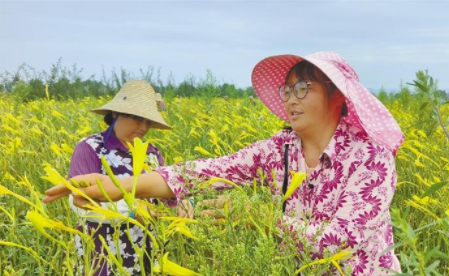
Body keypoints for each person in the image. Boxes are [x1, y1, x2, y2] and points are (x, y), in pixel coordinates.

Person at [45, 52, 405, 275]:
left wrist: (254, 217)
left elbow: (340, 242)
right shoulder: (279, 149)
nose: (291, 100)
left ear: (337, 94)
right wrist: (116, 185)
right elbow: (206, 171)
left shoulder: (370, 158)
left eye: (303, 88)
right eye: (287, 90)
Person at [68, 79, 171, 276]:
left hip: (146, 249)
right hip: (101, 251)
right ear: (115, 114)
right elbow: (79, 203)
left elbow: (163, 195)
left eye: (148, 121)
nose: (143, 126)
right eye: (136, 118)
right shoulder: (90, 148)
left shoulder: (153, 153)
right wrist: (132, 213)